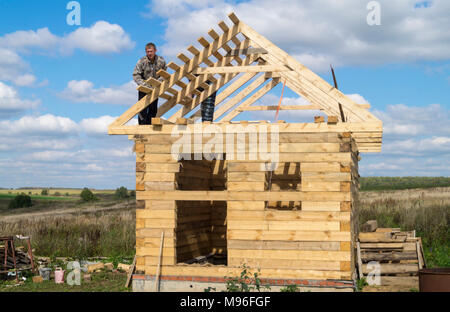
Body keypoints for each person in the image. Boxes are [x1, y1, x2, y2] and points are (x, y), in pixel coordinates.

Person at [133, 43, 167, 125]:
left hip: (155, 88)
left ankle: (149, 125)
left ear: (155, 51)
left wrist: (157, 83)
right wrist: (145, 85)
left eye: (151, 51)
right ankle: (142, 126)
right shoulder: (142, 61)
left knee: (153, 109)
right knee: (142, 109)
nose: (149, 53)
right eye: (147, 52)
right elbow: (136, 75)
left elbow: (164, 74)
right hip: (144, 88)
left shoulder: (161, 61)